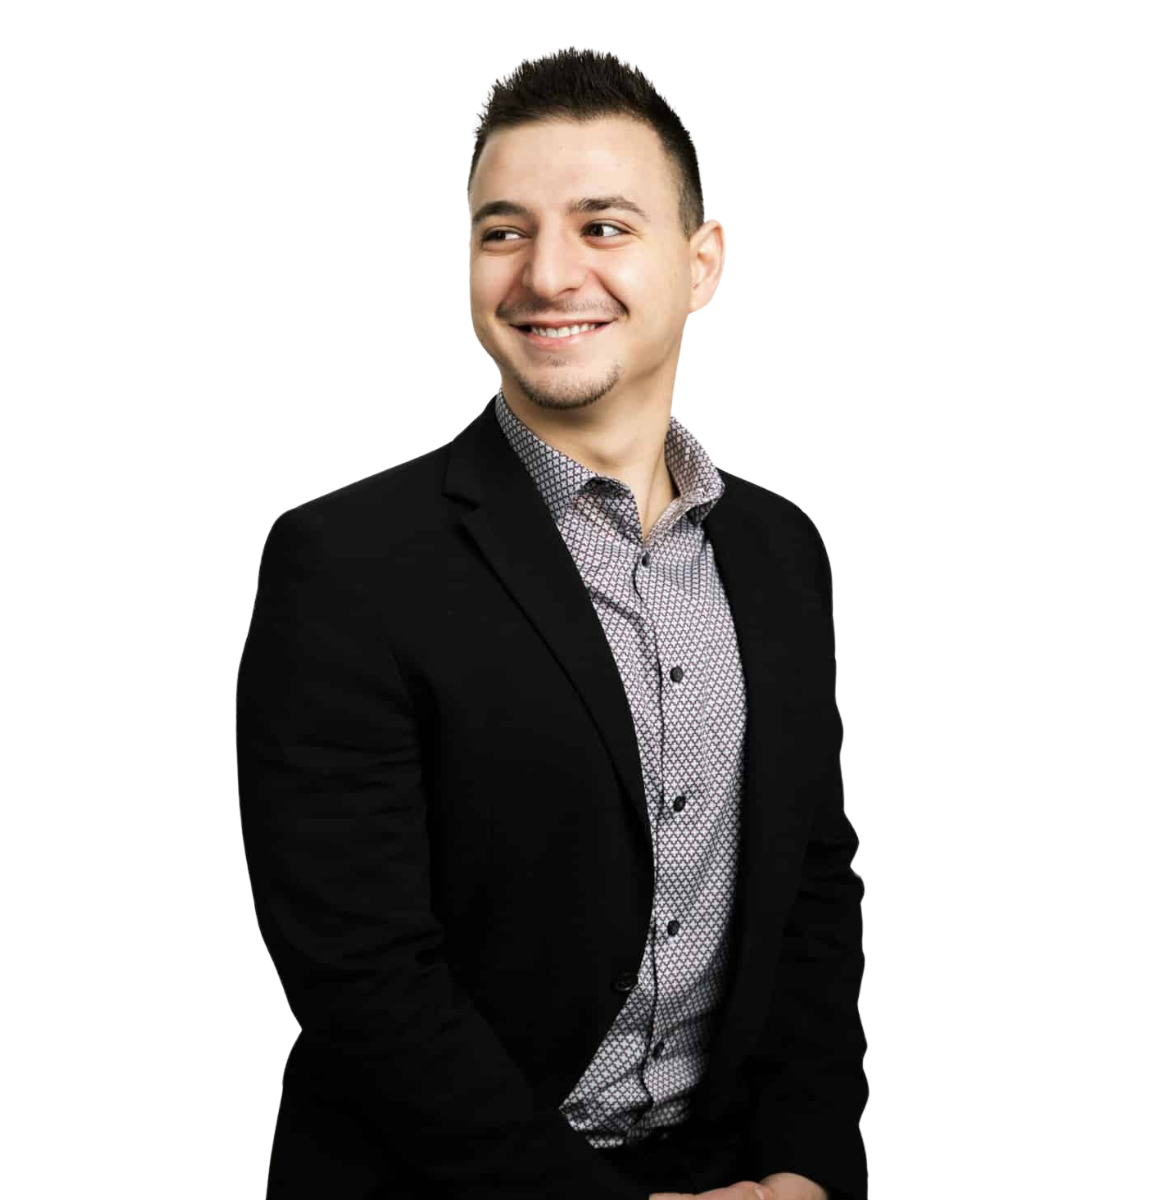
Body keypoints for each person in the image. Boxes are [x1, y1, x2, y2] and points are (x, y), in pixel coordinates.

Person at [236, 46, 868, 1200]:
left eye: (604, 225)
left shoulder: (780, 556)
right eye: (502, 231)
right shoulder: (347, 565)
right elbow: (363, 976)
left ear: (701, 260)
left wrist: (808, 1172)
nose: (546, 273)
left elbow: (812, 890)